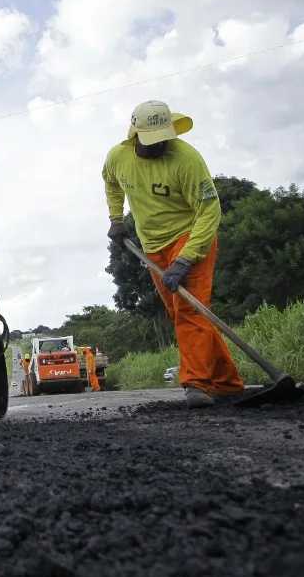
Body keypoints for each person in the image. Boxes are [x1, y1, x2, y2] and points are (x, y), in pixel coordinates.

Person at [103, 100, 244, 407]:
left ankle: (196, 383)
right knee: (181, 312)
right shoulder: (118, 157)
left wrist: (186, 257)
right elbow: (111, 182)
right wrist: (116, 219)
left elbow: (210, 210)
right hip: (152, 246)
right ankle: (227, 382)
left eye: (164, 138)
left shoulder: (186, 159)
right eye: (152, 140)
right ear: (135, 135)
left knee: (191, 311)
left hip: (190, 237)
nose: (160, 146)